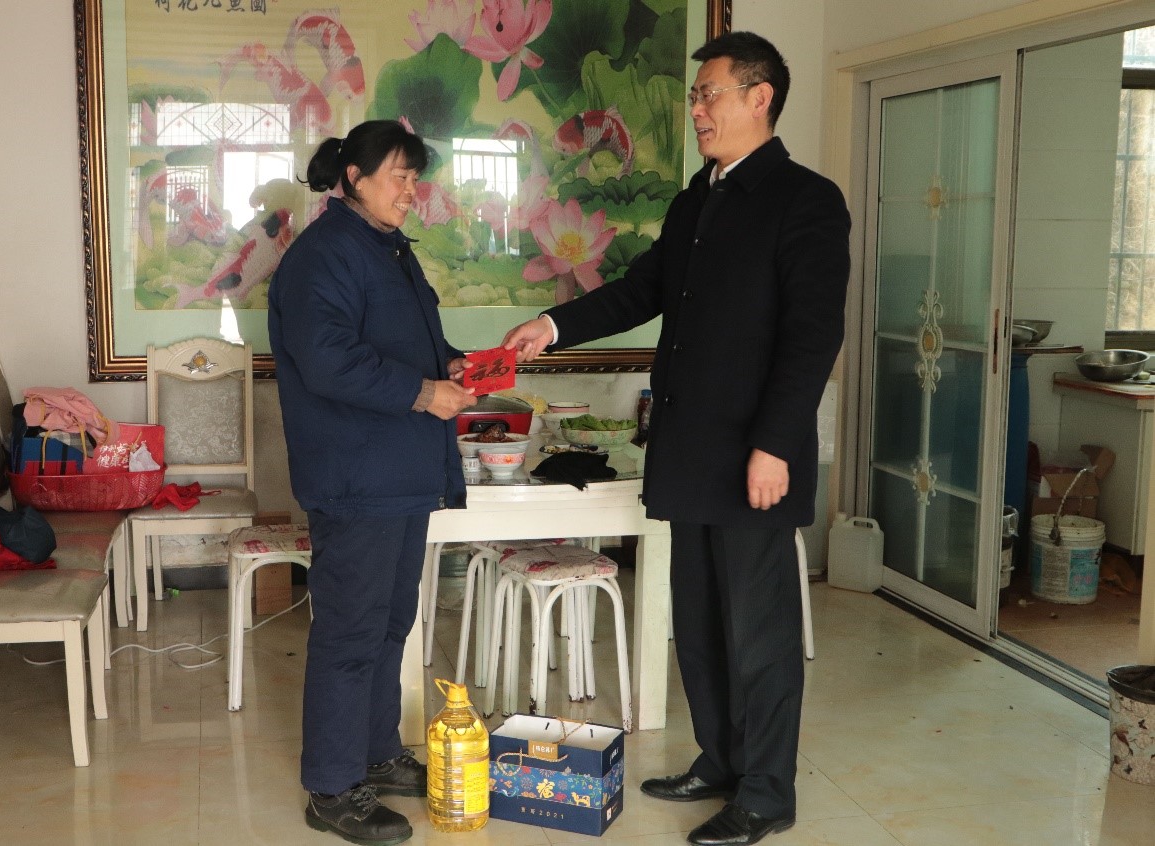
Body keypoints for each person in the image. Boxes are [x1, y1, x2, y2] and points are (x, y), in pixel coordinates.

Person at [503, 32, 850, 846]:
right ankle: (720, 761)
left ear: (759, 97)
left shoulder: (804, 199)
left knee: (758, 635)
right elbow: (641, 290)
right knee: (696, 622)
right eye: (695, 96)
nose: (695, 108)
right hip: (692, 449)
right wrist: (551, 325)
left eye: (708, 93)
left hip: (755, 454)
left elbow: (811, 335)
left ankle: (765, 793)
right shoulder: (697, 199)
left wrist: (776, 444)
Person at [269, 119, 477, 846]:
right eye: (399, 177)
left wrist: (452, 365)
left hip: (400, 473)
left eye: (415, 178)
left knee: (390, 623)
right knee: (351, 631)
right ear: (354, 178)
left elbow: (405, 343)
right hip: (356, 475)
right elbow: (329, 360)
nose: (411, 191)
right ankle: (332, 788)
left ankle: (377, 752)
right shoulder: (323, 254)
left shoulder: (387, 248)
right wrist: (423, 392)